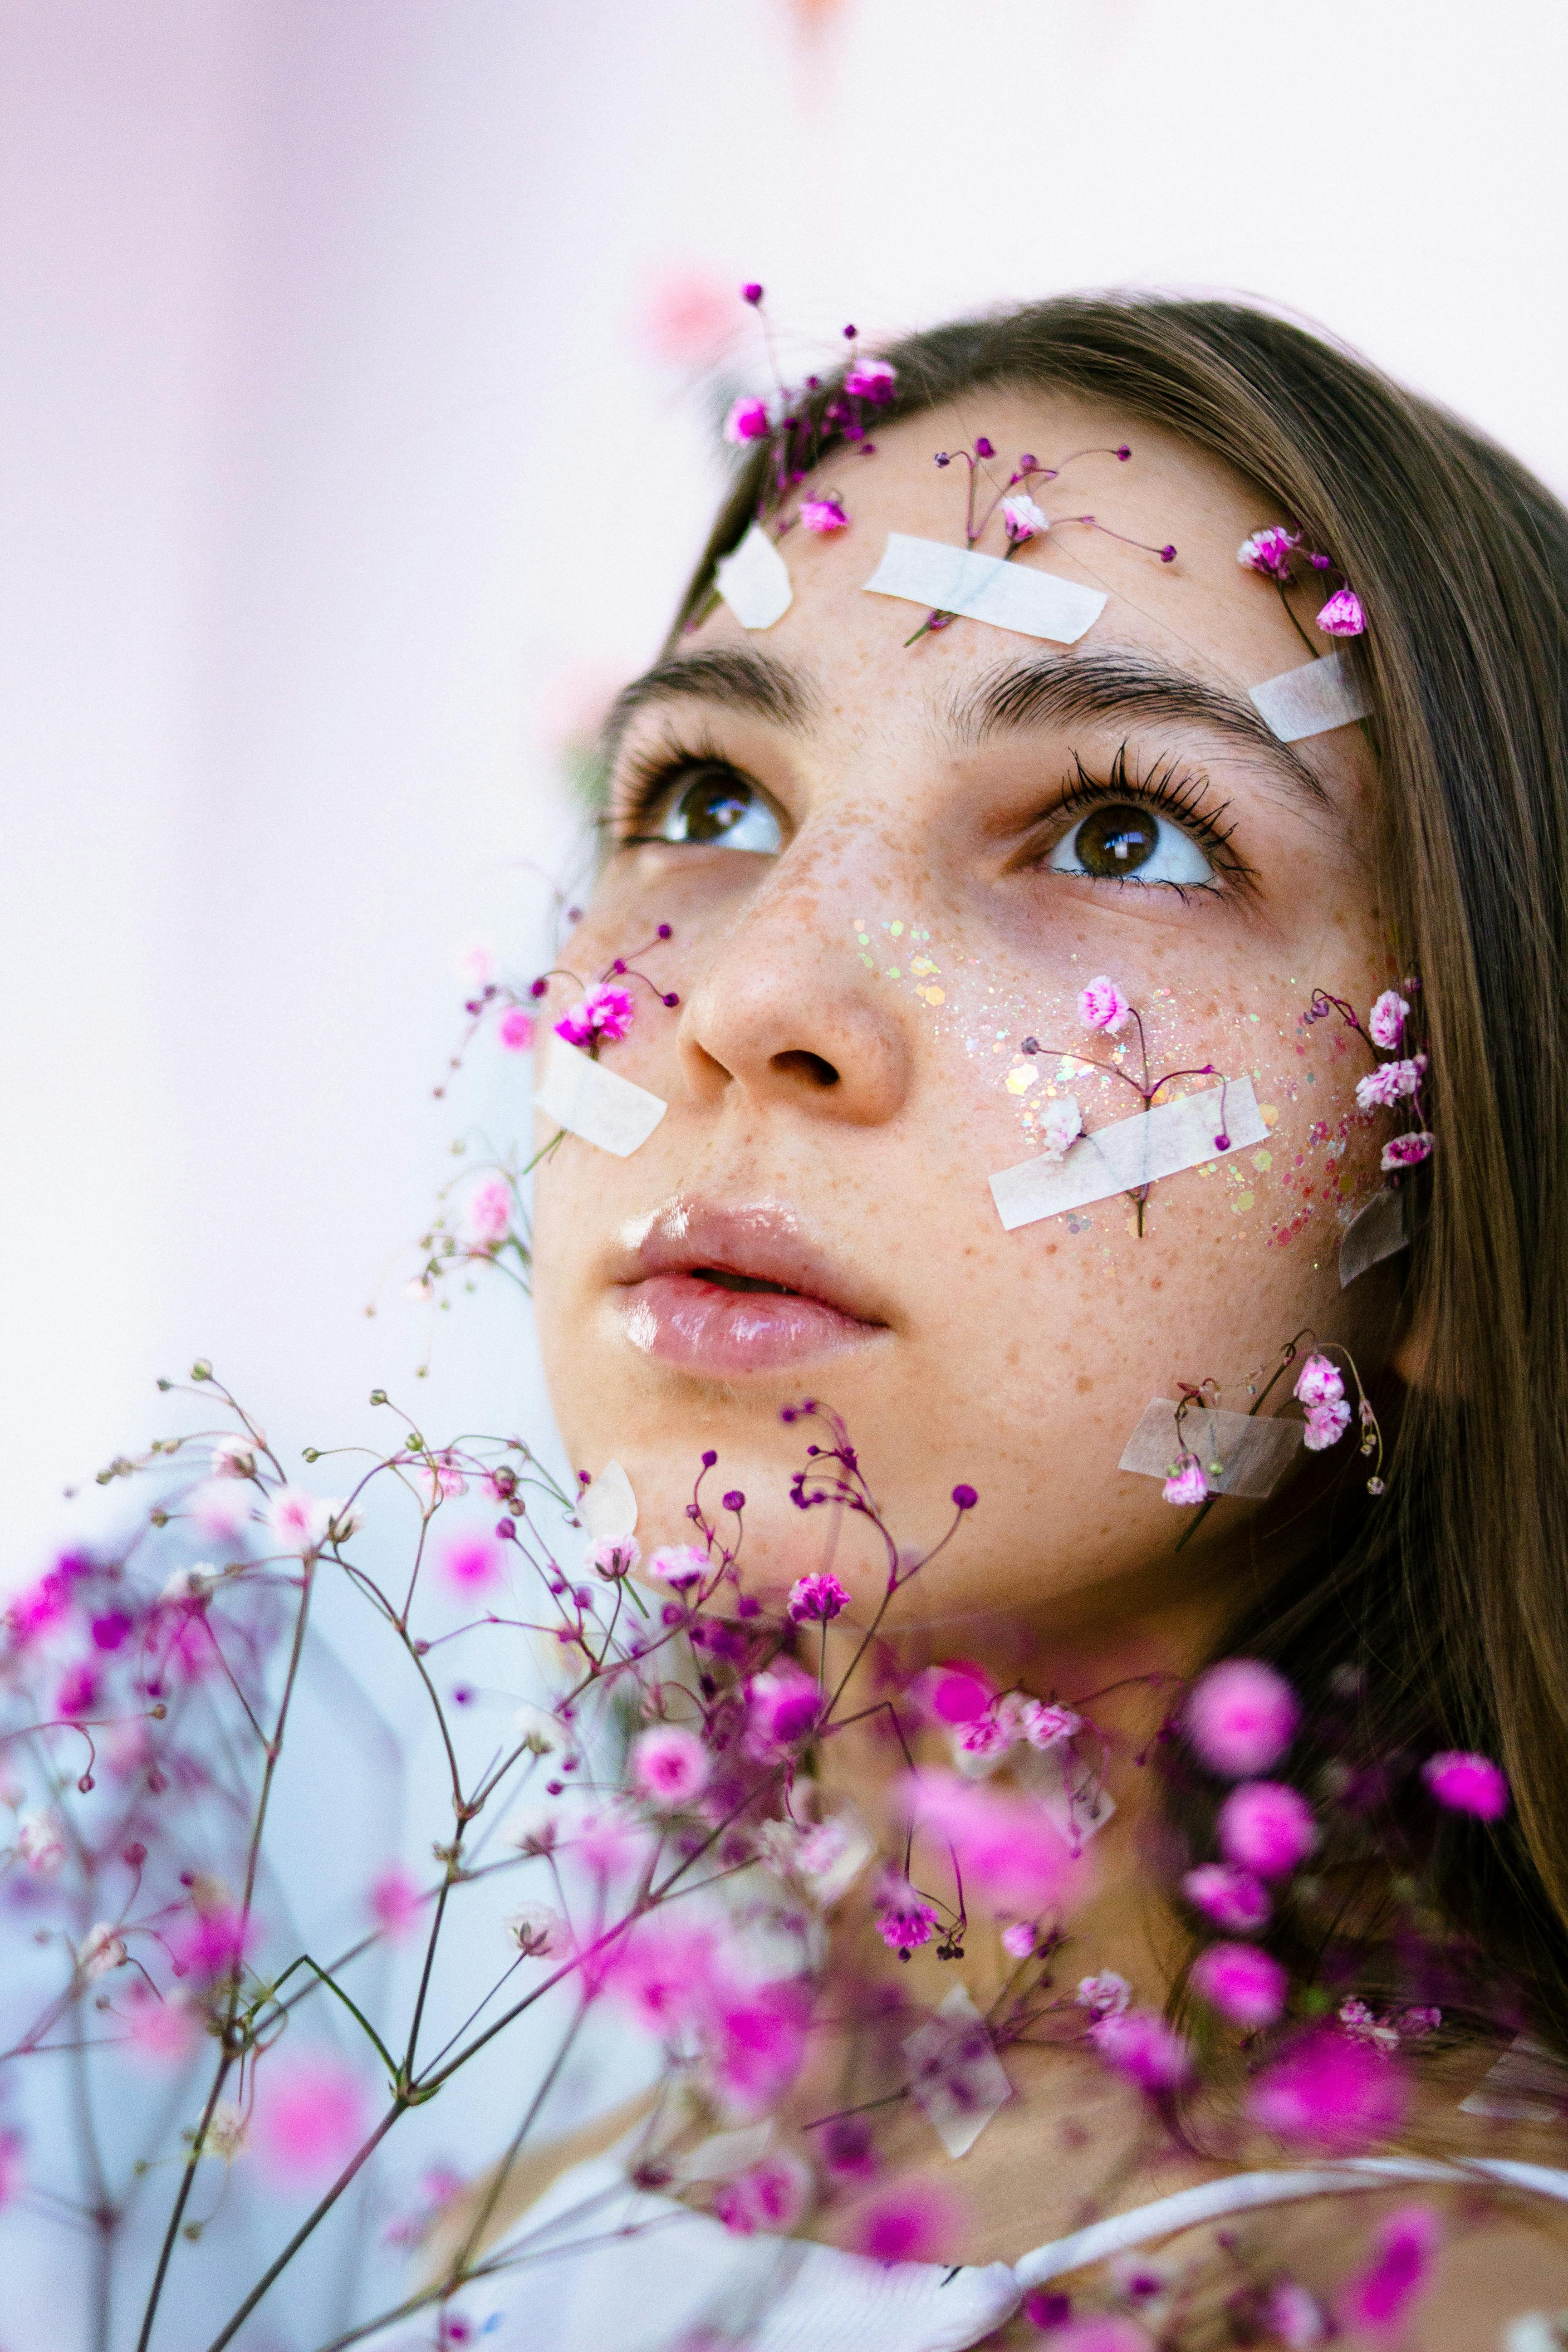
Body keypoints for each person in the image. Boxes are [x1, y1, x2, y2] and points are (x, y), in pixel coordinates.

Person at [406, 294, 1568, 2348]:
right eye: (703, 802)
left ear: (1467, 1220)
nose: (753, 1003)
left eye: (1125, 830)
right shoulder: (526, 2217)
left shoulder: (1429, 2301)